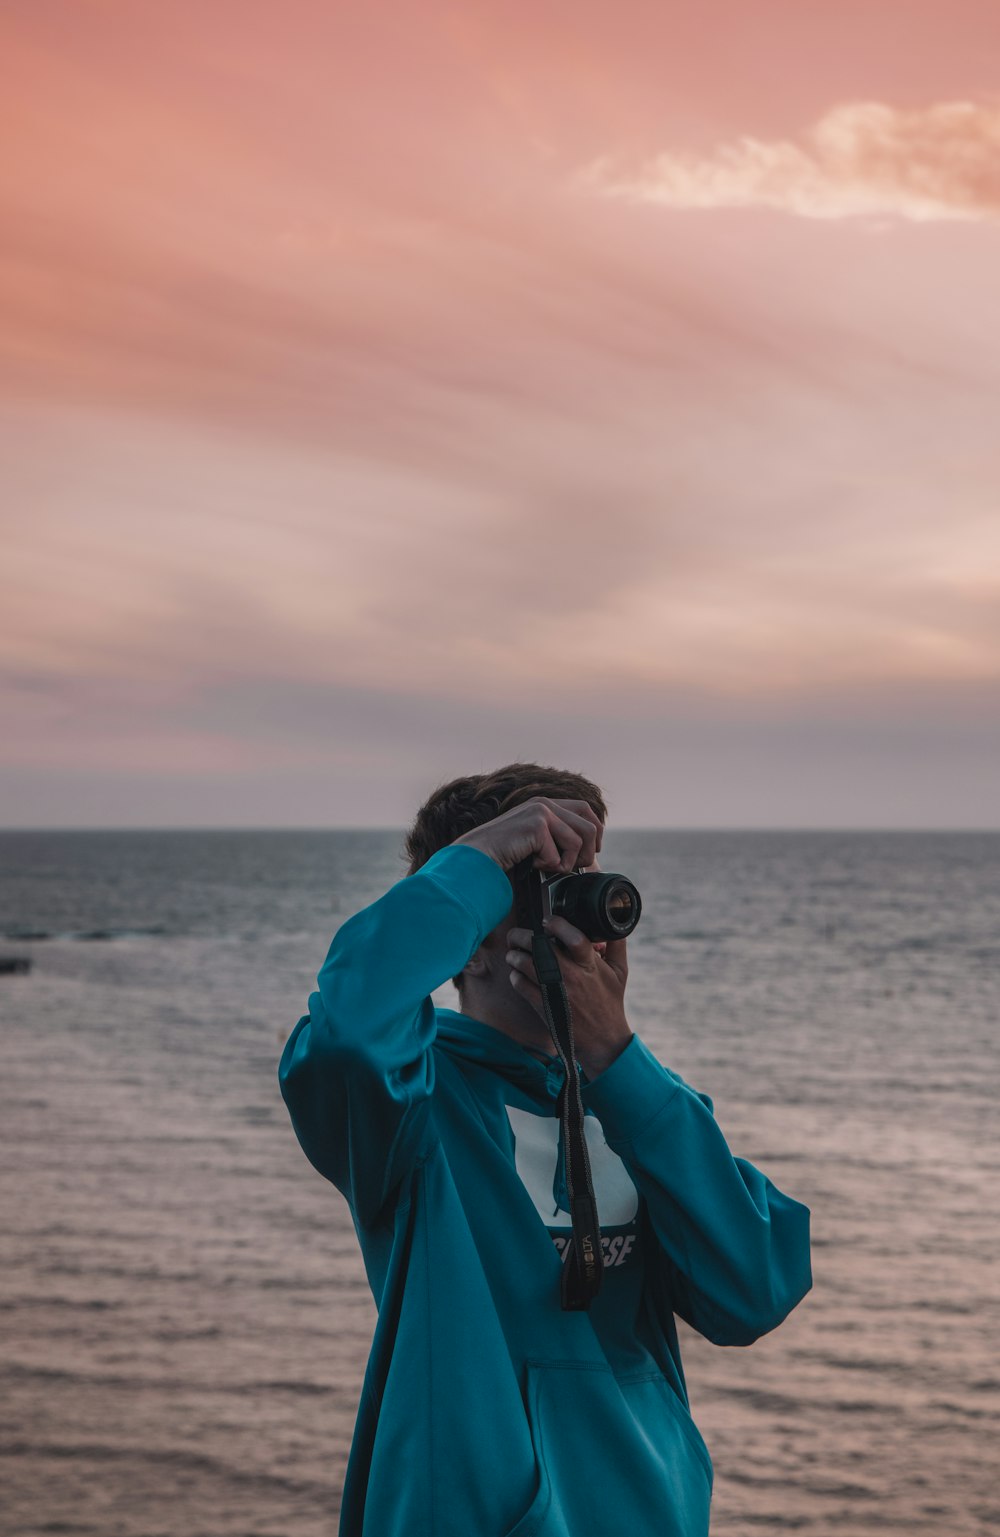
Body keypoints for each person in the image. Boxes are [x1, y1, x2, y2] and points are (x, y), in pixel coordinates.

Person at [278, 763, 812, 1536]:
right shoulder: (415, 1104)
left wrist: (617, 1059)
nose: (579, 923)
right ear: (464, 947)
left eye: (584, 886)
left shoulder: (641, 1103)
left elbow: (755, 1288)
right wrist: (481, 859)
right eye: (539, 892)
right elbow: (348, 1035)